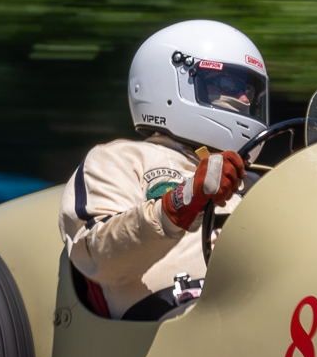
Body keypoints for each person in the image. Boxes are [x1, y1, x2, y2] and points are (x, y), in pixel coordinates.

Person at [59, 19, 268, 320]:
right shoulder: (120, 159)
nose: (246, 99)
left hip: (267, 307)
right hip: (174, 324)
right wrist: (183, 201)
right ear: (170, 81)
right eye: (229, 84)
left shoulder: (256, 180)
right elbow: (99, 259)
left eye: (250, 89)